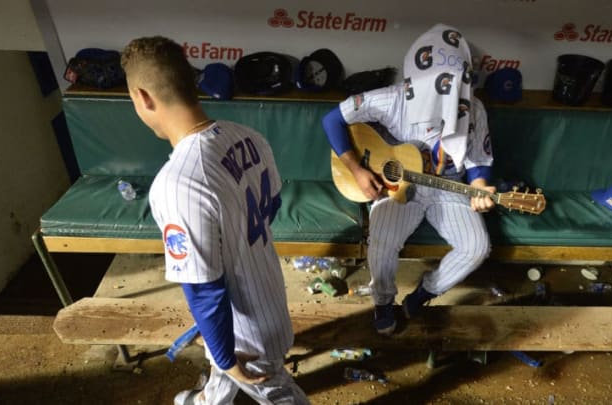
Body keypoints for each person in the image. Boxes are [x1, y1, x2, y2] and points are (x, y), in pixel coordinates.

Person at [121, 36, 309, 405]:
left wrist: (225, 356)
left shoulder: (177, 184)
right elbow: (272, 206)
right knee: (223, 373)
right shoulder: (248, 136)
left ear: (142, 98)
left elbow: (204, 290)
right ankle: (207, 400)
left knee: (278, 394)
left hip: (245, 329)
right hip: (268, 291)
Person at [322, 24, 495, 335]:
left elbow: (479, 162)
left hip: (448, 185)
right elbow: (332, 119)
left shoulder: (475, 108)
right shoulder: (393, 98)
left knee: (476, 248)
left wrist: (480, 186)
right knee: (381, 243)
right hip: (398, 182)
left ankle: (423, 295)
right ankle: (384, 301)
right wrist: (358, 170)